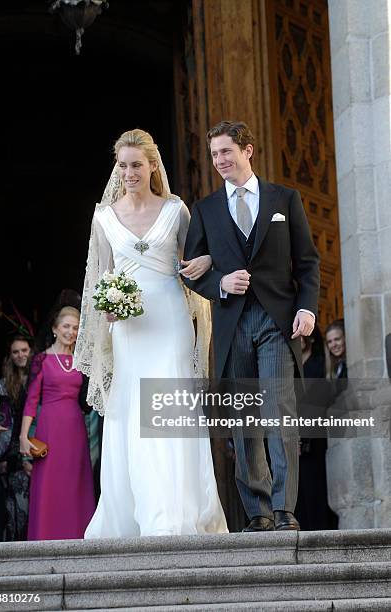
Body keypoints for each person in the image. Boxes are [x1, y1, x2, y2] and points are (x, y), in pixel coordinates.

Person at [74, 128, 227, 537]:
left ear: (152, 165)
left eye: (136, 164)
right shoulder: (103, 216)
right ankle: (135, 513)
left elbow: (191, 261)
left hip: (170, 318)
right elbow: (100, 277)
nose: (129, 172)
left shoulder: (176, 209)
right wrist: (107, 307)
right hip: (129, 328)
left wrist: (207, 260)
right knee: (133, 410)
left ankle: (172, 514)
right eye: (122, 165)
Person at [182, 120, 320, 532]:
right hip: (233, 325)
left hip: (278, 322)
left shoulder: (285, 199)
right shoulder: (205, 210)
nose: (220, 161)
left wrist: (308, 309)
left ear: (248, 150)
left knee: (280, 414)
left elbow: (309, 262)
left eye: (226, 151)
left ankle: (283, 510)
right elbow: (189, 270)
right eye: (214, 155)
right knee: (245, 421)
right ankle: (257, 512)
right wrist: (218, 283)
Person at [19, 305, 95, 540]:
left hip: (75, 427)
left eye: (75, 328)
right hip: (50, 427)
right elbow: (31, 400)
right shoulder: (41, 359)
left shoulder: (82, 361)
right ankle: (46, 535)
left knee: (75, 482)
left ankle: (78, 536)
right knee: (51, 484)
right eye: (66, 326)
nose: (70, 331)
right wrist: (23, 437)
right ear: (54, 328)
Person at [0, 335, 33, 542]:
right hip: (10, 455)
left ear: (31, 352)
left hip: (35, 449)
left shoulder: (39, 380)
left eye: (24, 350)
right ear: (10, 356)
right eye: (15, 352)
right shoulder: (1, 387)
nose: (20, 355)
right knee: (11, 511)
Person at [295, 326, 338, 530]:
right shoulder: (291, 366)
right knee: (298, 492)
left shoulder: (320, 364)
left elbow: (320, 403)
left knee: (316, 488)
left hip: (315, 437)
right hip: (294, 438)